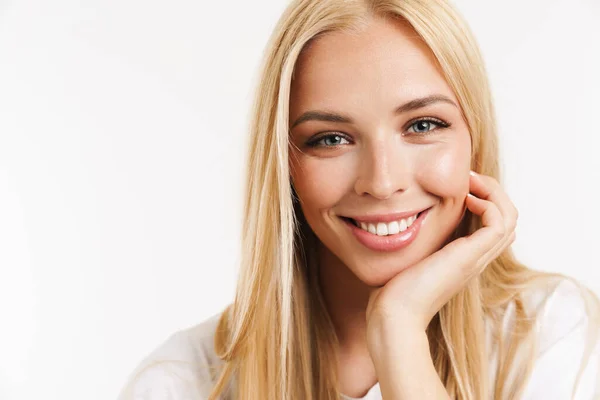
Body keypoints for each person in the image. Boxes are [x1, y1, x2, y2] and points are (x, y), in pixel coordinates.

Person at [118, 0, 600, 399]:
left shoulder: (554, 335)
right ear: (284, 164)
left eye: (423, 126)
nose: (382, 181)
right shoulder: (184, 383)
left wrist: (399, 331)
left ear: (474, 137)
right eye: (331, 138)